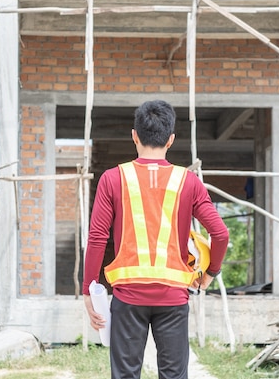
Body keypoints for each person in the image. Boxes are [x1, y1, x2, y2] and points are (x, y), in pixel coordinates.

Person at [83, 99, 229, 379]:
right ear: (171, 139)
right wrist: (210, 273)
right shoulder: (188, 181)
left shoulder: (113, 178)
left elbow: (98, 237)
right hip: (173, 297)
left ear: (134, 135)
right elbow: (220, 234)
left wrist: (89, 289)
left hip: (128, 295)